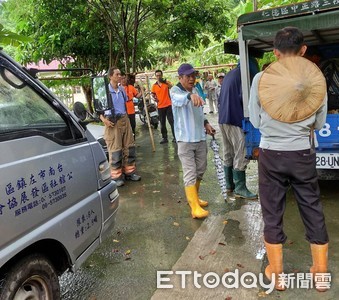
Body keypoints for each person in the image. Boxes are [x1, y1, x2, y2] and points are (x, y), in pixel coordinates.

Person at [248, 26, 329, 292]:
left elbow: (256, 119)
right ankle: (319, 273)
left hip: (271, 153)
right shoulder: (316, 80)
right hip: (303, 152)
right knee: (312, 208)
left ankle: (278, 275)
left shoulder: (261, 78)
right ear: (303, 50)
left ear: (275, 52)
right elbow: (318, 123)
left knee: (272, 211)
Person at [170, 63, 215, 219]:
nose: (191, 79)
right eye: (188, 76)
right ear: (180, 78)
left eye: (193, 76)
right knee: (190, 172)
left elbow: (199, 113)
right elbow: (178, 99)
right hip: (185, 140)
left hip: (200, 138)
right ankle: (194, 207)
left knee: (201, 169)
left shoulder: (196, 89)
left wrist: (206, 123)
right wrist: (189, 96)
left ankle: (195, 198)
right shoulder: (175, 91)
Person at [218, 63, 258, 200]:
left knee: (228, 151)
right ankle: (240, 188)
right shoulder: (243, 76)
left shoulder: (230, 74)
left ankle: (229, 185)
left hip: (223, 118)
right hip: (234, 118)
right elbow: (244, 98)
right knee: (241, 151)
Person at [99, 66, 141, 187]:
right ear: (110, 76)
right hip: (112, 122)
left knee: (129, 146)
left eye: (120, 74)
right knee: (115, 149)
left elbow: (126, 103)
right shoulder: (104, 91)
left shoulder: (122, 90)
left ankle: (130, 172)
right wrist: (104, 121)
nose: (120, 76)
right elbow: (99, 110)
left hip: (124, 119)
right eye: (117, 74)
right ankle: (116, 176)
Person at [151, 70, 176, 144]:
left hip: (168, 105)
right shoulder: (154, 86)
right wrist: (154, 98)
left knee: (171, 121)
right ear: (155, 77)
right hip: (160, 106)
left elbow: (172, 88)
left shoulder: (166, 83)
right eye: (157, 75)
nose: (158, 77)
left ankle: (175, 137)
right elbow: (153, 94)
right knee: (162, 123)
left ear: (162, 75)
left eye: (159, 75)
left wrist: (166, 82)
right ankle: (164, 138)